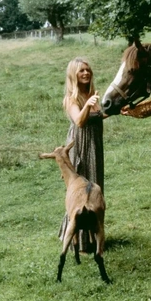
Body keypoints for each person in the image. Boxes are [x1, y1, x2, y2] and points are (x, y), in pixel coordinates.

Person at [58, 57, 107, 254]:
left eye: (88, 70)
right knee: (80, 194)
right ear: (73, 75)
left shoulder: (92, 95)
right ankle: (75, 241)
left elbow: (98, 116)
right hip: (81, 147)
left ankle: (94, 240)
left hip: (95, 147)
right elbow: (79, 121)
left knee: (95, 191)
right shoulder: (71, 99)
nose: (86, 73)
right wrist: (88, 105)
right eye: (81, 71)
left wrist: (121, 111)